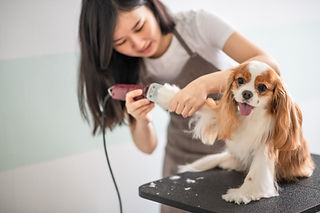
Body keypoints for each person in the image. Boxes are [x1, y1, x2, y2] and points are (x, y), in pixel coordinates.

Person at [78, 0, 280, 212]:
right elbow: (147, 147)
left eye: (139, 26)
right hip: (181, 160)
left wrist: (205, 84)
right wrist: (141, 120)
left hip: (238, 154)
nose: (138, 43)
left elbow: (270, 65)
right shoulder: (129, 67)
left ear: (151, 6)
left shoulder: (197, 25)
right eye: (120, 42)